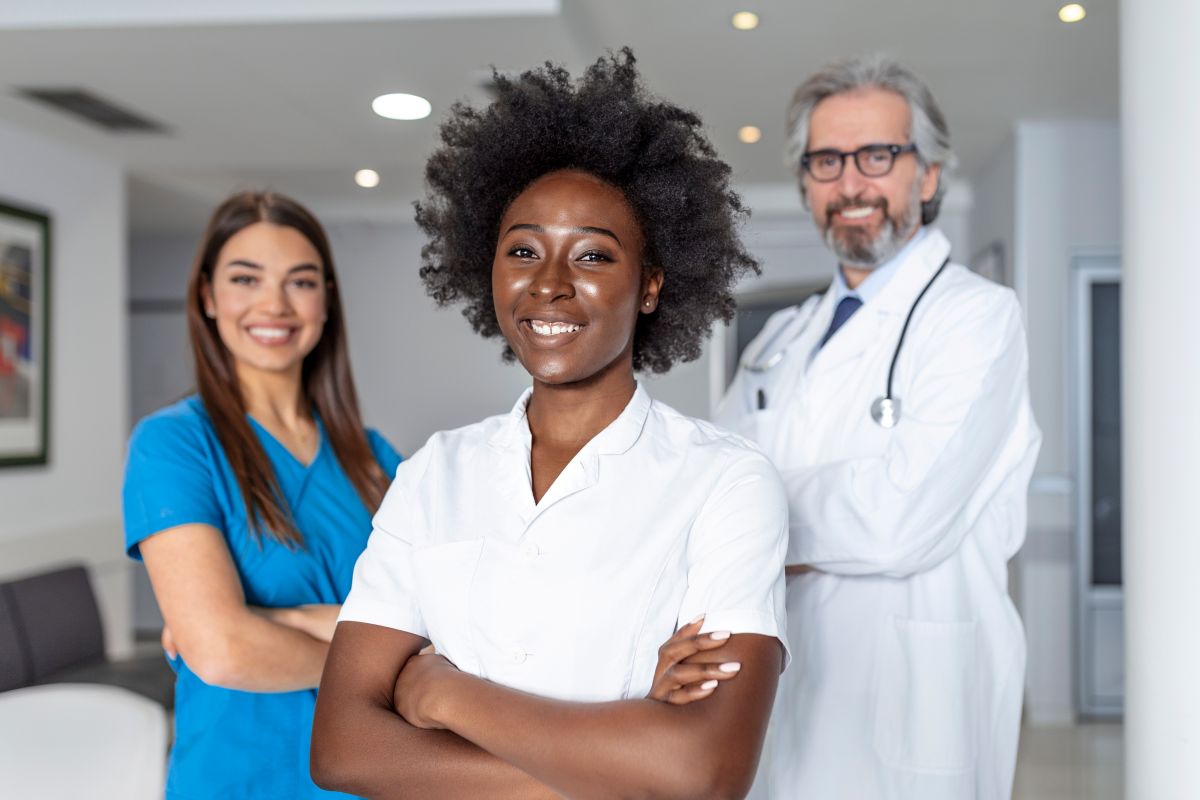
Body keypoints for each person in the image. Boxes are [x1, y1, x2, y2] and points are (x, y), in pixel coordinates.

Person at [310, 50, 789, 800]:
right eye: (523, 250)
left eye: (593, 254)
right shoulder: (435, 472)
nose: (550, 284)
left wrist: (438, 694)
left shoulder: (724, 481)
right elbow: (342, 747)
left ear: (652, 284)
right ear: (487, 268)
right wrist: (620, 757)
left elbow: (705, 771)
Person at [716, 54, 1042, 800]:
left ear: (926, 176)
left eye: (877, 156)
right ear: (804, 184)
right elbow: (708, 495)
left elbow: (900, 518)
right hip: (776, 697)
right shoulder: (777, 342)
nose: (851, 183)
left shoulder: (977, 319)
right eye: (825, 161)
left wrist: (759, 525)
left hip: (916, 705)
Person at [122, 191, 403, 799]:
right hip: (242, 780)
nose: (273, 304)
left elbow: (444, 623)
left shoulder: (375, 459)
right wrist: (389, 667)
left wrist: (282, 620)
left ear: (326, 300)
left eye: (300, 282)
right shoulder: (173, 445)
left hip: (376, 779)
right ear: (207, 297)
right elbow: (222, 652)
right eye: (245, 278)